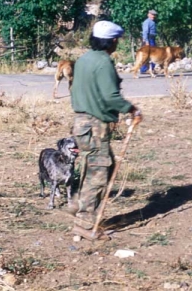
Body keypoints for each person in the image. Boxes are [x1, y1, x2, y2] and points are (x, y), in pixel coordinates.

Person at [69, 20, 143, 238]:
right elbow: (110, 96)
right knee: (99, 175)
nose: (117, 44)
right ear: (111, 41)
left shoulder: (83, 59)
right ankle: (84, 224)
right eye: (117, 41)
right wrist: (131, 109)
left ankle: (78, 204)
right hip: (95, 126)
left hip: (81, 123)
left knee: (96, 167)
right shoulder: (103, 62)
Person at [140, 9, 157, 74]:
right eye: (152, 15)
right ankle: (144, 69)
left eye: (154, 15)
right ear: (148, 14)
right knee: (147, 55)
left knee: (153, 55)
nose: (153, 16)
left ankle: (151, 69)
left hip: (152, 39)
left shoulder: (152, 22)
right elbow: (145, 32)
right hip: (149, 40)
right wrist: (146, 41)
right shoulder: (147, 22)